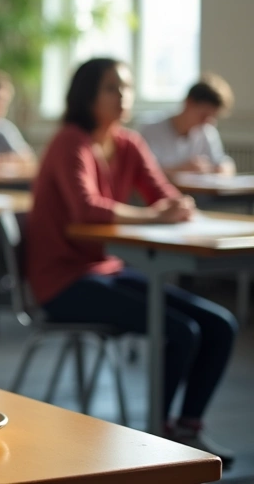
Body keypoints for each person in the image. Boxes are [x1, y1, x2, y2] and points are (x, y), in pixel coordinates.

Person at [27, 57, 237, 466]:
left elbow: (161, 193)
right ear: (88, 94)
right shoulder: (70, 141)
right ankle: (158, 436)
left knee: (220, 325)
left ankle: (187, 427)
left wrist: (178, 205)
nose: (123, 95)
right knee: (181, 331)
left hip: (105, 271)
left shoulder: (128, 142)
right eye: (112, 87)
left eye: (127, 87)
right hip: (61, 283)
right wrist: (152, 216)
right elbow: (86, 208)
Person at [138, 73, 237, 176]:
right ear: (188, 103)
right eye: (203, 115)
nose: (207, 122)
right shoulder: (151, 129)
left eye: (212, 117)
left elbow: (224, 163)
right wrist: (180, 170)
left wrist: (222, 169)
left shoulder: (207, 131)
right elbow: (143, 171)